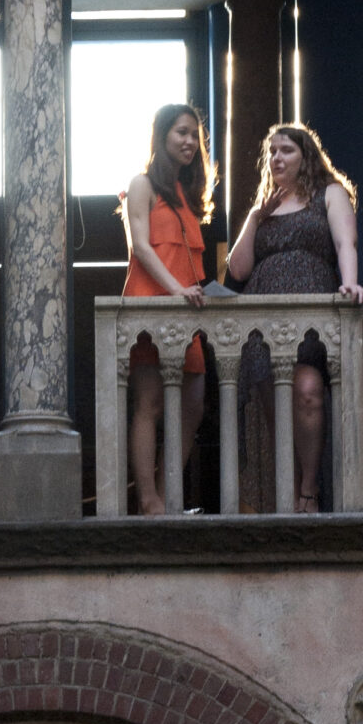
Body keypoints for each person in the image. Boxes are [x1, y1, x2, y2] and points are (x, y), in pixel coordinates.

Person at [226, 123, 363, 512]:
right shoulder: (266, 206)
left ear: (305, 156)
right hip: (263, 322)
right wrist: (255, 217)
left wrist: (350, 283)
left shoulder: (329, 193)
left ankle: (309, 490)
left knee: (307, 392)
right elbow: (237, 271)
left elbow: (346, 243)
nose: (276, 158)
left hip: (308, 319)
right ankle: (287, 495)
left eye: (286, 150)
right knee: (276, 412)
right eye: (271, 151)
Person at [122, 104, 213, 515]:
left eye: (194, 135)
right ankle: (148, 501)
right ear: (161, 137)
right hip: (151, 303)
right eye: (181, 133)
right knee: (150, 403)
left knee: (193, 404)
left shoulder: (187, 196)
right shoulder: (142, 184)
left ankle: (167, 494)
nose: (190, 141)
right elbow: (140, 247)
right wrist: (177, 290)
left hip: (186, 309)